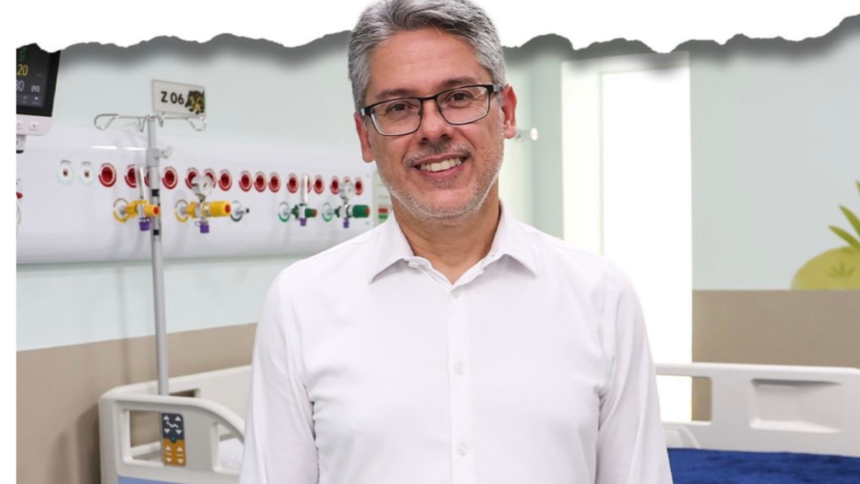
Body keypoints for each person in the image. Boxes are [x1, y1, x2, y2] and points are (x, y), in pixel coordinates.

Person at [239, 0, 673, 483]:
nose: (433, 128)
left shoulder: (602, 297)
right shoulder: (301, 302)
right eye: (398, 107)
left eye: (460, 96)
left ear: (506, 113)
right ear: (365, 137)